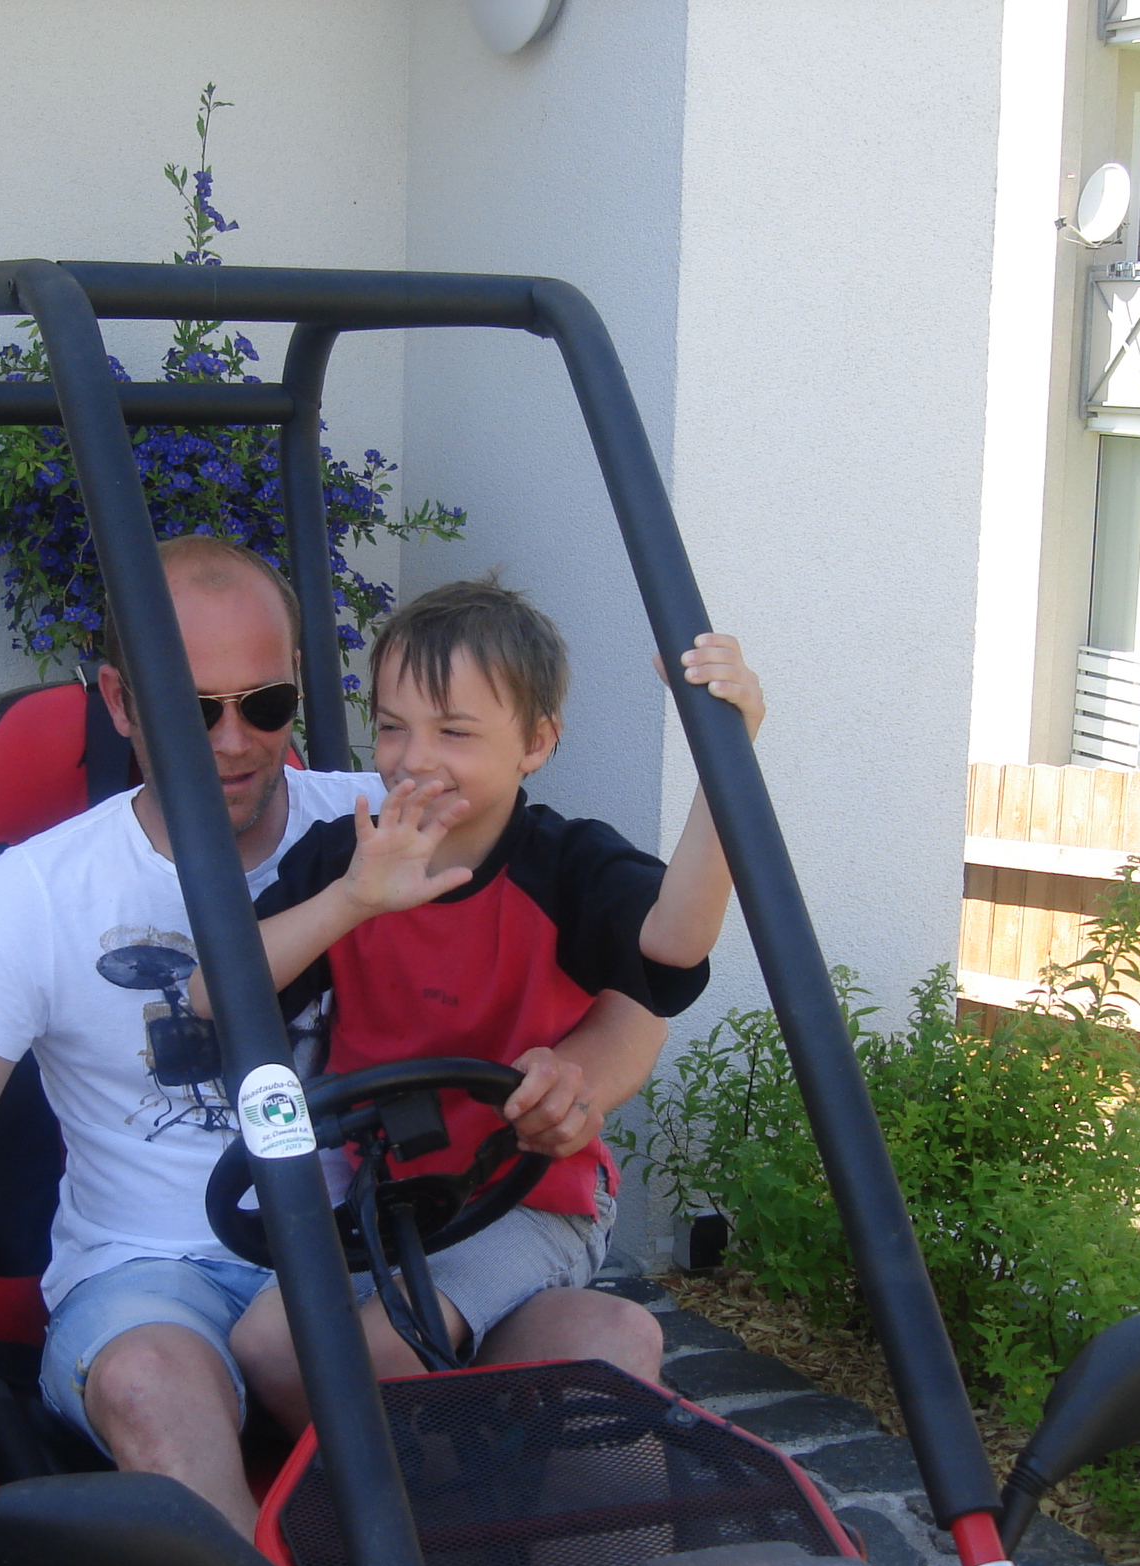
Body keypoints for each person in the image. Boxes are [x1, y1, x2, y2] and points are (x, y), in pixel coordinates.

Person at [0, 536, 648, 1566]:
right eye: (192, 707)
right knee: (153, 1383)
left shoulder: (393, 814)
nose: (232, 740)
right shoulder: (44, 891)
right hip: (156, 1273)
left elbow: (630, 978)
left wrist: (582, 1073)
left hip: (381, 1244)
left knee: (608, 1338)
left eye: (265, 705)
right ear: (122, 701)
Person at [217, 575, 763, 1430]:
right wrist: (350, 901)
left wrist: (723, 767)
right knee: (263, 1346)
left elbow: (674, 943)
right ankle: (441, 1472)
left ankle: (436, 1492)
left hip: (527, 1198)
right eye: (391, 727)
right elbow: (217, 993)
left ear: (536, 742)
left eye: (455, 731)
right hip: (388, 1202)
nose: (413, 757)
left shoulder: (566, 865)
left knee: (384, 1349)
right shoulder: (346, 862)